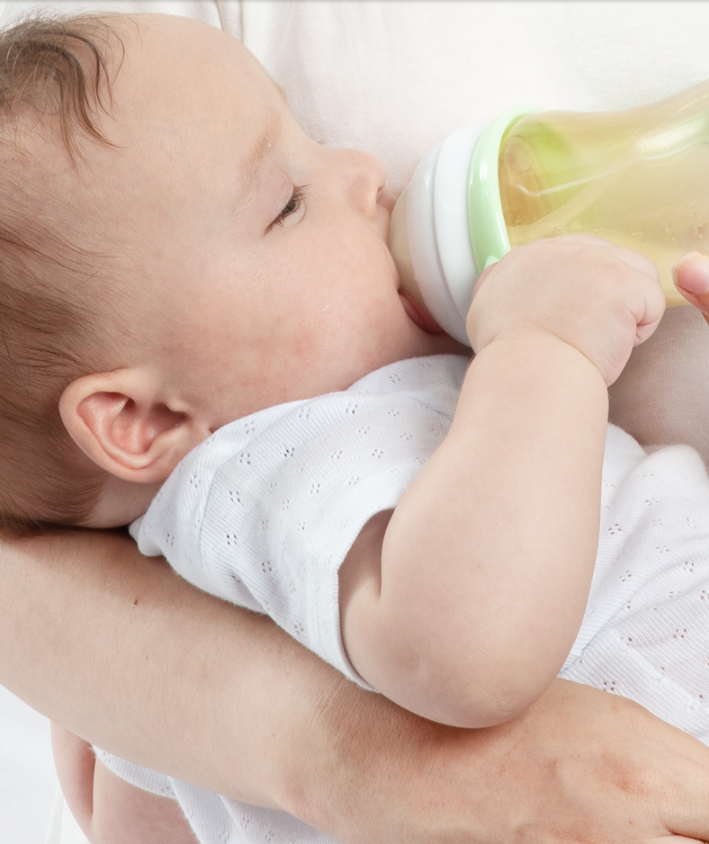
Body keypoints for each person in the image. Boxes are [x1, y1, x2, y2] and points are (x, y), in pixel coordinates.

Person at [1, 2, 709, 844]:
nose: (365, 171)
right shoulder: (274, 462)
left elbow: (135, 817)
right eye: (287, 202)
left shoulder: (220, 546)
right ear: (139, 420)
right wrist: (543, 346)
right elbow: (466, 650)